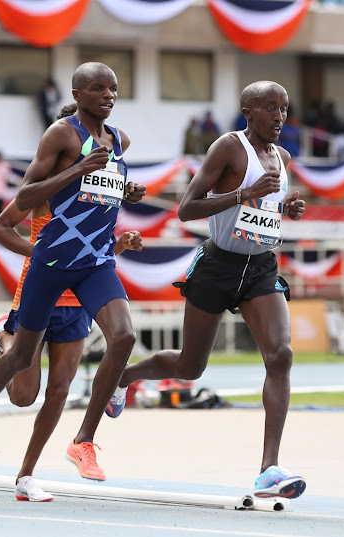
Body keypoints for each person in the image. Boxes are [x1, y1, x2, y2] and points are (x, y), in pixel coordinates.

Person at [109, 81, 307, 500]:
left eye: (284, 110)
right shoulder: (228, 148)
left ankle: (269, 469)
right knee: (190, 366)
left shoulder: (283, 157)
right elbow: (186, 209)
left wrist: (285, 207)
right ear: (247, 111)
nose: (279, 117)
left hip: (260, 267)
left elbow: (262, 209)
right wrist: (242, 193)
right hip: (218, 264)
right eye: (269, 108)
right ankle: (123, 377)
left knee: (281, 355)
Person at [0, 62, 146, 483]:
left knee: (124, 337)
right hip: (51, 265)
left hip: (94, 265)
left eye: (113, 88)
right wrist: (79, 169)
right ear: (78, 94)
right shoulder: (61, 135)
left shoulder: (119, 141)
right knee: (23, 370)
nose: (108, 95)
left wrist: (125, 190)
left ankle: (74, 446)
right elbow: (23, 196)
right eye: (98, 88)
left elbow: (99, 197)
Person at [0, 158, 143, 499]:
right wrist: (41, 254)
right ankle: (4, 337)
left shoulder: (101, 192)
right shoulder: (45, 191)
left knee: (59, 392)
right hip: (38, 296)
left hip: (76, 304)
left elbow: (95, 248)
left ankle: (26, 476)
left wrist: (120, 244)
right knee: (23, 396)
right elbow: (1, 228)